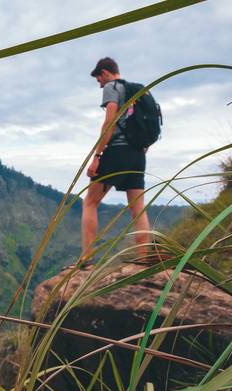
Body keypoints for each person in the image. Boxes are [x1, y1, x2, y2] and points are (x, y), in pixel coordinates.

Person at [80, 57, 151, 266]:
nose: (100, 84)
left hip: (117, 151)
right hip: (138, 155)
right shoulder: (139, 91)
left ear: (104, 72)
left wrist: (97, 156)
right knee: (138, 208)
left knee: (89, 202)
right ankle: (143, 261)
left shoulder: (112, 87)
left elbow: (109, 120)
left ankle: (87, 259)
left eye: (99, 80)